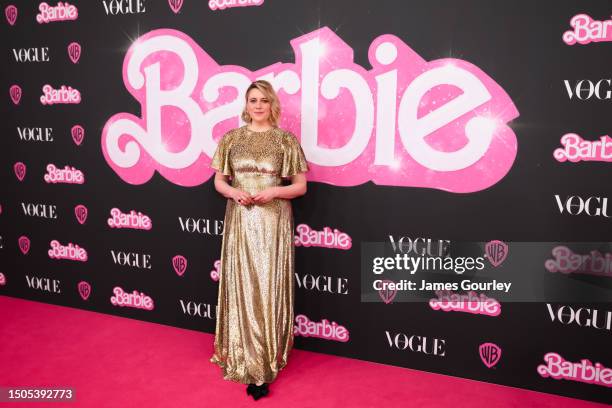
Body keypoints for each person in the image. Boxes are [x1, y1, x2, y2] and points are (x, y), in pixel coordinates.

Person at [209, 80, 309, 401]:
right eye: (253, 100)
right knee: (243, 284)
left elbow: (300, 186)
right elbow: (218, 182)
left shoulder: (285, 141)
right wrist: (234, 192)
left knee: (266, 285)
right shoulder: (231, 139)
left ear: (272, 104)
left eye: (264, 100)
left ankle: (266, 358)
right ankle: (246, 357)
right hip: (241, 217)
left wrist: (274, 191)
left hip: (272, 219)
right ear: (246, 104)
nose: (258, 106)